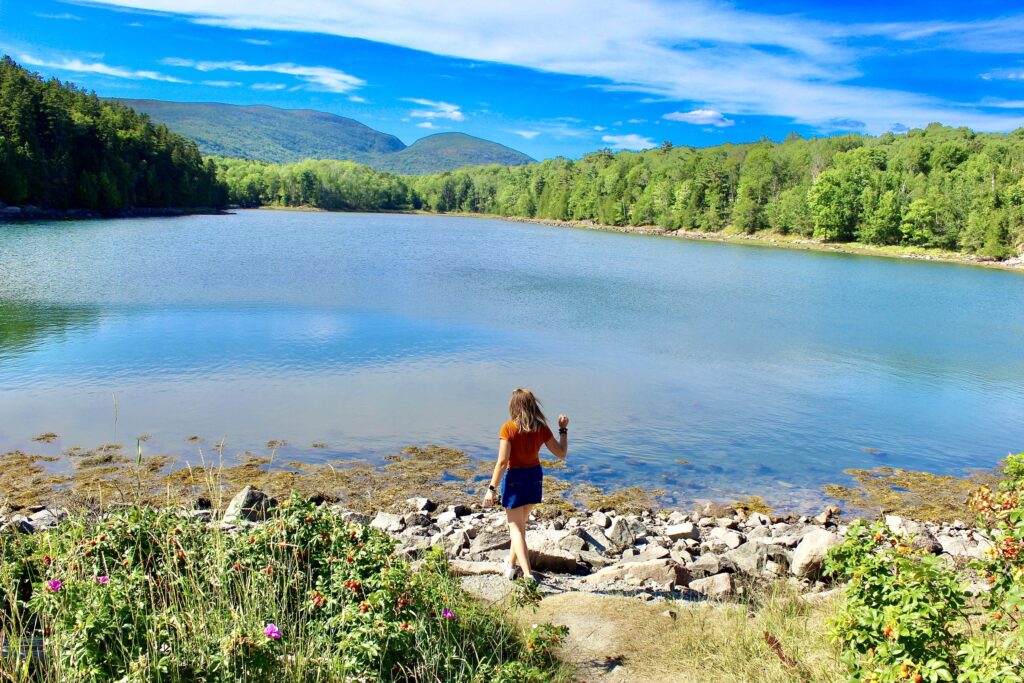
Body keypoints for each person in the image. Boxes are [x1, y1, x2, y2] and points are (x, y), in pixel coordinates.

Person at [483, 387, 569, 583]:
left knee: (516, 529)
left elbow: (502, 462)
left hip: (515, 479)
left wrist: (491, 489)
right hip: (534, 478)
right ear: (532, 405)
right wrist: (563, 429)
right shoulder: (541, 428)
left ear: (514, 406)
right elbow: (562, 453)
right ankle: (511, 567)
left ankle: (528, 575)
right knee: (520, 528)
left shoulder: (508, 429)